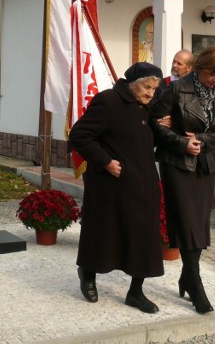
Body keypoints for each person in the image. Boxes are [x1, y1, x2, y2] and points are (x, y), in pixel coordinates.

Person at [68, 62, 165, 313]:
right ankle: (88, 274)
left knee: (142, 238)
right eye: (147, 87)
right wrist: (105, 161)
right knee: (103, 234)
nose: (150, 93)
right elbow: (79, 135)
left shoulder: (145, 107)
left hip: (143, 185)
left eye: (154, 88)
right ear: (132, 83)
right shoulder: (108, 101)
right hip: (111, 186)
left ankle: (136, 293)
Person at [151, 45, 215, 314]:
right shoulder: (176, 89)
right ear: (200, 68)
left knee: (198, 223)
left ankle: (187, 275)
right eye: (213, 75)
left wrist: (203, 141)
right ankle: (195, 283)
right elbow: (155, 124)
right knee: (186, 221)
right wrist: (182, 142)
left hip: (204, 164)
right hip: (178, 164)